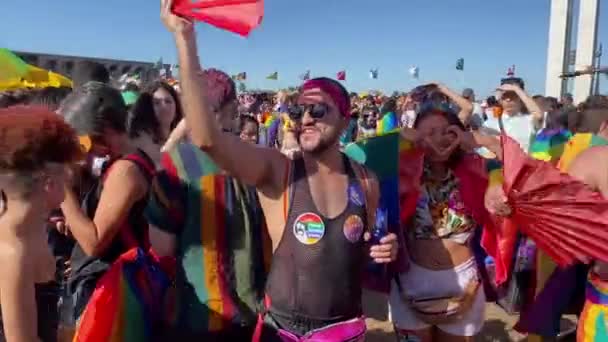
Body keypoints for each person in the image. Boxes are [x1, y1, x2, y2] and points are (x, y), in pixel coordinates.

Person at [159, 2, 398, 340]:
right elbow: (206, 138)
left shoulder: (365, 180)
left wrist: (385, 249)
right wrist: (185, 41)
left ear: (346, 119)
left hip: (343, 331)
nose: (306, 118)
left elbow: (363, 250)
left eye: (317, 109)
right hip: (282, 331)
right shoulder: (278, 170)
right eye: (298, 110)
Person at [145, 68, 270, 341]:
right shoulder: (262, 160)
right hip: (253, 314)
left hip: (196, 314)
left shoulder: (175, 165)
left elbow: (162, 247)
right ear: (233, 109)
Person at [389, 105, 498, 342]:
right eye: (428, 132)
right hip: (411, 279)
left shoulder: (479, 169)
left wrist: (479, 139)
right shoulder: (401, 170)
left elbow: (523, 167)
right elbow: (359, 156)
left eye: (446, 131)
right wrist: (399, 137)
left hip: (462, 282)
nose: (438, 138)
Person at [57, 82, 156, 324]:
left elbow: (94, 243)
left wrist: (61, 188)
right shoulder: (122, 163)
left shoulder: (126, 170)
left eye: (84, 141)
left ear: (108, 129)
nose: (83, 150)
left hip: (113, 295)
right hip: (110, 288)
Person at [0, 106, 83, 342]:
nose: (71, 176)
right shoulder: (13, 252)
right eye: (66, 169)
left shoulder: (34, 231)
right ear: (49, 183)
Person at [128, 81, 184, 166]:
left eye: (168, 101)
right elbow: (160, 165)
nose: (163, 106)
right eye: (156, 103)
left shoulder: (184, 142)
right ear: (148, 108)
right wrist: (179, 132)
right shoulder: (141, 140)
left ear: (176, 109)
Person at [482, 79, 544, 152]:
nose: (508, 99)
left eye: (513, 95)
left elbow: (539, 115)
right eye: (505, 95)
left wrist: (516, 89)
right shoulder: (489, 124)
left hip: (524, 162)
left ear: (521, 98)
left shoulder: (529, 120)